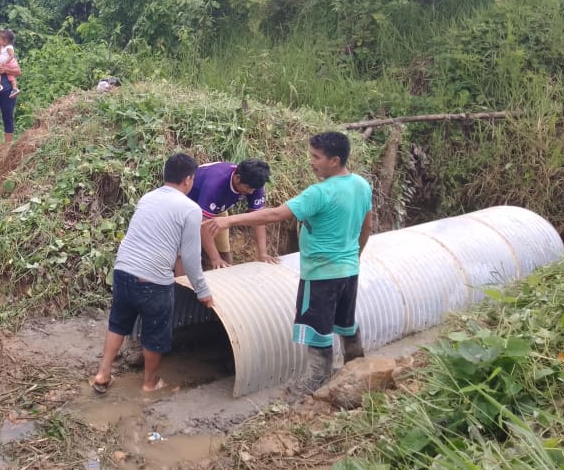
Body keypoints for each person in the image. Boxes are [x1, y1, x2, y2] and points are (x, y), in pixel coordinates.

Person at [207, 132, 373, 395]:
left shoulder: (320, 193)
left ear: (334, 160)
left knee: (317, 330)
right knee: (345, 323)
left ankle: (311, 385)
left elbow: (276, 214)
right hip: (349, 271)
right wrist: (355, 257)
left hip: (320, 274)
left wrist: (229, 220)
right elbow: (367, 226)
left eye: (316, 157)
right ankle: (360, 369)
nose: (311, 162)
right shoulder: (361, 185)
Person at [91, 153, 214, 394]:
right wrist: (202, 291)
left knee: (118, 323)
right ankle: (150, 384)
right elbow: (190, 257)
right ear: (188, 180)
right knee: (154, 335)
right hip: (153, 282)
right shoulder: (190, 209)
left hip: (123, 270)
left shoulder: (148, 198)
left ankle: (103, 373)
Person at [184, 158, 277, 268]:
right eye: (248, 188)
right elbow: (203, 225)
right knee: (185, 255)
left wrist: (263, 253)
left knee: (225, 254)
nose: (251, 192)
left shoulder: (254, 183)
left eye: (254, 189)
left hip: (217, 210)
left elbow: (259, 219)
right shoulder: (215, 184)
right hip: (187, 209)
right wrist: (215, 259)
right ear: (237, 178)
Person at [0, 29, 20, 99]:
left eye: (1, 40)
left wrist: (5, 62)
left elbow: (12, 55)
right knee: (11, 77)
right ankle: (15, 88)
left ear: (6, 41)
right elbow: (0, 55)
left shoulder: (9, 47)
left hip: (9, 63)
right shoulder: (4, 47)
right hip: (10, 64)